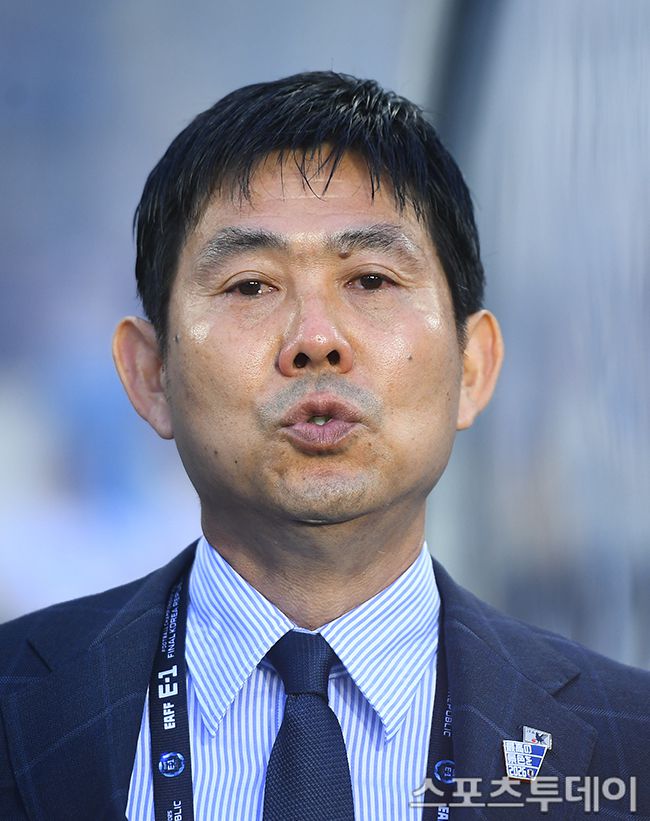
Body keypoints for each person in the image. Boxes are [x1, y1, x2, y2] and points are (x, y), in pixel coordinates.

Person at [0, 72, 647, 821]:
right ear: (150, 374)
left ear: (472, 366)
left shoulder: (631, 741)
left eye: (370, 279)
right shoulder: (19, 702)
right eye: (250, 286)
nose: (315, 340)